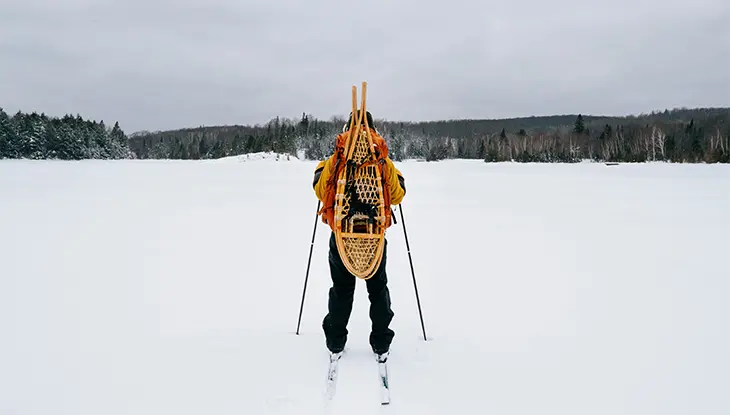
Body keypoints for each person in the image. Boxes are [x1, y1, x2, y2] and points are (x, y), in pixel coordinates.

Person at [312, 111, 406, 360]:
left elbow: (321, 192)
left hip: (342, 236)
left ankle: (335, 342)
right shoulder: (383, 162)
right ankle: (381, 343)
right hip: (374, 239)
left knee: (341, 290)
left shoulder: (335, 160)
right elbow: (397, 195)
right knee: (378, 290)